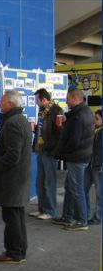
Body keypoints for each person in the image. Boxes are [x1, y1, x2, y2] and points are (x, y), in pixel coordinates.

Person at [0, 91, 32, 264]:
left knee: (11, 216)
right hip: (18, 177)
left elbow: (13, 155)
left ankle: (14, 253)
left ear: (11, 104)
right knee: (16, 215)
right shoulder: (21, 120)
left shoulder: (12, 123)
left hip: (12, 179)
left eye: (2, 100)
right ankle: (19, 251)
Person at [52, 89, 95, 231]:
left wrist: (61, 152)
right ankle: (67, 216)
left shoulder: (78, 116)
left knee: (77, 189)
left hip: (77, 157)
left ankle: (81, 221)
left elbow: (73, 141)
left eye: (68, 99)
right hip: (80, 156)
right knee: (70, 187)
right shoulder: (86, 112)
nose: (66, 102)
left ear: (76, 99)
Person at [29, 89, 63, 220]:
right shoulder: (42, 112)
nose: (36, 102)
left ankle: (50, 210)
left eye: (37, 100)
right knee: (40, 182)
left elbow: (59, 132)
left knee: (49, 182)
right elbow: (42, 129)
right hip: (40, 149)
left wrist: (52, 147)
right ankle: (41, 208)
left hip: (49, 151)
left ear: (44, 99)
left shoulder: (56, 111)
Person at [85, 109, 102, 225]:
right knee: (83, 188)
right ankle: (85, 213)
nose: (94, 121)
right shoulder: (95, 131)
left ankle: (97, 217)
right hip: (90, 164)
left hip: (98, 166)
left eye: (97, 119)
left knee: (99, 193)